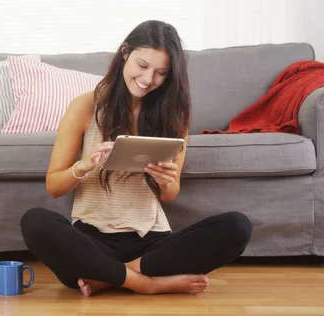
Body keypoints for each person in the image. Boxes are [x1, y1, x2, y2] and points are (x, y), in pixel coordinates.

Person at [19, 20, 253, 297]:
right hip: (93, 240)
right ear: (125, 53)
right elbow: (53, 186)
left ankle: (109, 277)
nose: (148, 78)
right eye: (142, 65)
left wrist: (166, 181)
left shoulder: (174, 117)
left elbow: (169, 194)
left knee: (237, 227)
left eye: (161, 73)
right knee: (34, 222)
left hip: (151, 242)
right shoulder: (85, 107)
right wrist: (83, 167)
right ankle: (146, 283)